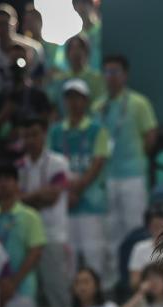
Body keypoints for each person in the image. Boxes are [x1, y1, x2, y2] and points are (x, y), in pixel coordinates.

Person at [94, 54, 158, 280]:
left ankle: (138, 276)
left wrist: (135, 158)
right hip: (107, 177)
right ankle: (114, 281)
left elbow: (150, 137)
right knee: (110, 231)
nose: (110, 76)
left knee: (135, 227)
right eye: (107, 72)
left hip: (133, 176)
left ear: (125, 75)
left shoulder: (139, 103)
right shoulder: (98, 106)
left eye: (115, 72)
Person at [49, 78, 110, 278]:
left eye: (78, 98)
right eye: (69, 98)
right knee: (69, 259)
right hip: (65, 206)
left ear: (86, 101)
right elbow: (51, 166)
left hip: (91, 204)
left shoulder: (97, 130)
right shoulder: (56, 131)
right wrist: (67, 193)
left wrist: (76, 189)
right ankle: (72, 297)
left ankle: (98, 294)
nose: (74, 103)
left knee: (94, 255)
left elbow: (98, 163)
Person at [0, 160, 45, 307]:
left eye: (7, 179)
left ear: (17, 184)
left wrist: (13, 283)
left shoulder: (29, 216)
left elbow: (35, 251)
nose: (2, 184)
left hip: (22, 291)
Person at [17, 114, 71, 307]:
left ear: (44, 134)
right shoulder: (19, 167)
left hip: (52, 235)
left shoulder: (58, 162)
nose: (31, 140)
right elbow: (14, 200)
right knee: (29, 294)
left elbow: (52, 197)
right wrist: (39, 194)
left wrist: (25, 198)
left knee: (56, 289)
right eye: (26, 136)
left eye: (35, 134)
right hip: (27, 239)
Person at [48, 34, 104, 115]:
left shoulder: (97, 79)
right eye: (72, 48)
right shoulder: (58, 80)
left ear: (87, 52)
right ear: (67, 53)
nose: (76, 52)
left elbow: (99, 106)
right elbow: (54, 107)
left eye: (79, 48)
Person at [127, 206, 163, 292]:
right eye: (156, 227)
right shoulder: (140, 248)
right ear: (149, 228)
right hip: (149, 293)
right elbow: (134, 282)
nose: (161, 231)